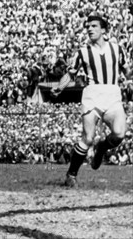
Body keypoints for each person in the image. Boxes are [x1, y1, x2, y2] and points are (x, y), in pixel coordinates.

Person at [51, 14, 131, 188]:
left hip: (112, 93)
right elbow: (71, 73)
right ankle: (71, 174)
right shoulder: (83, 52)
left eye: (94, 26)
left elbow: (127, 72)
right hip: (92, 94)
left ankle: (102, 148)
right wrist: (60, 86)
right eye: (88, 26)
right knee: (87, 137)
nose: (89, 29)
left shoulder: (117, 49)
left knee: (119, 133)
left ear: (103, 30)